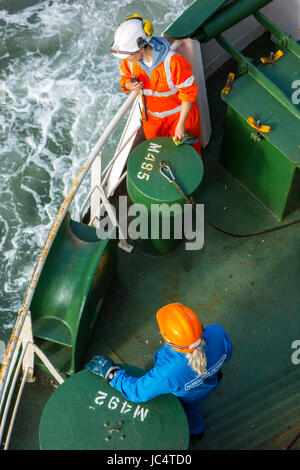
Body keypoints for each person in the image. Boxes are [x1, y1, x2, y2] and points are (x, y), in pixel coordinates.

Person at [86, 303, 232, 438]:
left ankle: (192, 430)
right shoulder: (218, 332)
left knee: (188, 410)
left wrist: (111, 373)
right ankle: (197, 432)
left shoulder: (167, 372)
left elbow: (137, 392)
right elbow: (227, 356)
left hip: (185, 399)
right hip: (211, 383)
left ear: (167, 338)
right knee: (193, 412)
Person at [110, 15, 201, 154]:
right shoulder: (129, 62)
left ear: (141, 49)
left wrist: (181, 125)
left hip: (180, 119)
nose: (125, 59)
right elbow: (124, 79)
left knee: (187, 156)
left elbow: (188, 94)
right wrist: (129, 85)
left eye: (127, 54)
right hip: (153, 123)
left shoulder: (174, 62)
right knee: (160, 156)